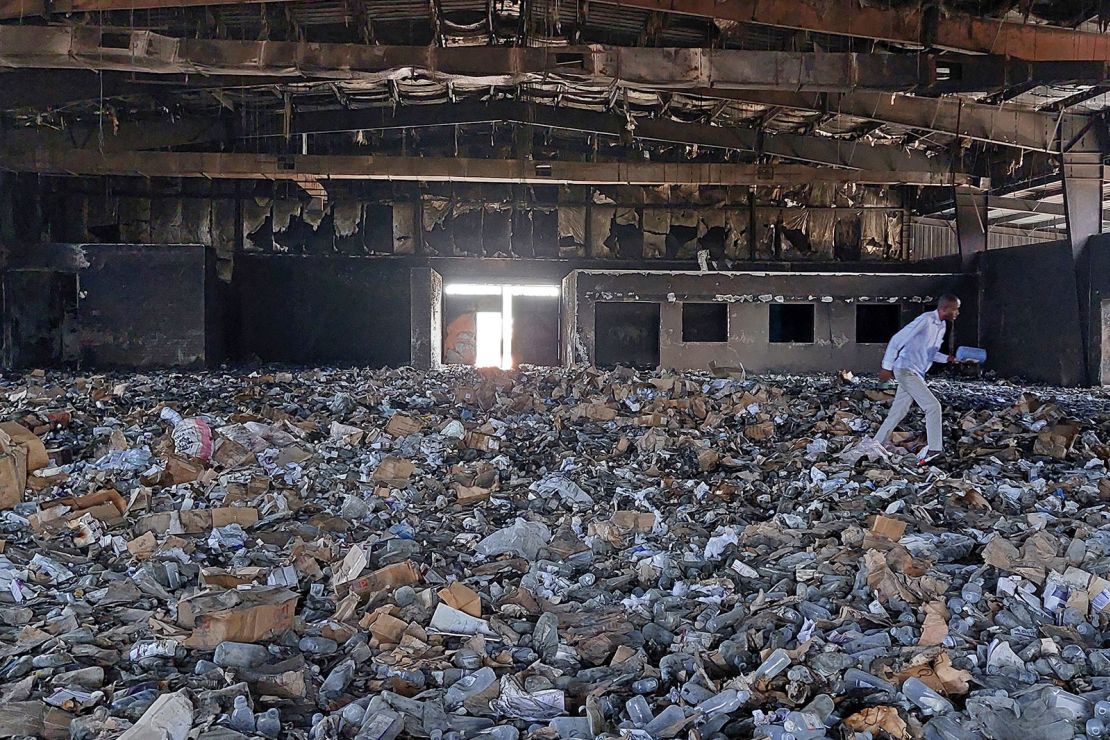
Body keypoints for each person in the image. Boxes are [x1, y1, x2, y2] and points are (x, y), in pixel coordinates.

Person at [874, 294, 970, 466]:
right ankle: (934, 449)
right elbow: (896, 340)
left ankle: (876, 443)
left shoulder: (941, 327)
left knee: (898, 412)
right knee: (933, 406)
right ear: (944, 308)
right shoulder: (925, 320)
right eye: (955, 309)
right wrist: (886, 367)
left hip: (916, 372)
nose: (958, 313)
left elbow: (931, 354)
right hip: (905, 369)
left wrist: (950, 359)